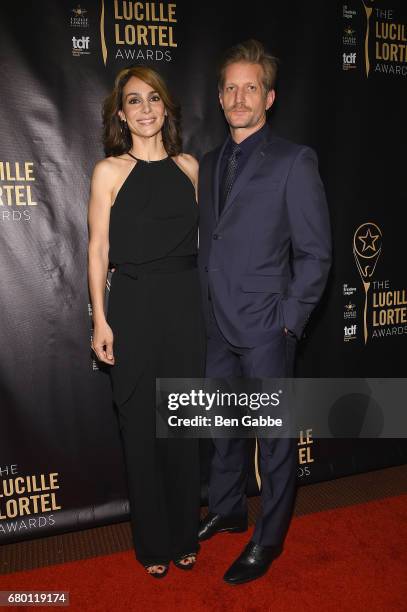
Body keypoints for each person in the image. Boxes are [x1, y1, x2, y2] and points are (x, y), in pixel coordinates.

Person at [197, 39, 332, 584]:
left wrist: (289, 319)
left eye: (249, 87)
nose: (238, 96)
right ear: (220, 95)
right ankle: (228, 509)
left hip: (266, 328)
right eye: (230, 87)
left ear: (268, 97)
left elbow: (316, 252)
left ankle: (268, 538)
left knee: (273, 441)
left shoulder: (294, 161)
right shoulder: (208, 164)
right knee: (222, 427)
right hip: (215, 324)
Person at [87, 66, 206, 578]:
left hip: (184, 307)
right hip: (133, 307)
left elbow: (199, 246)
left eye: (153, 98)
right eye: (134, 101)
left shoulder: (189, 167)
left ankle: (185, 534)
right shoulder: (108, 172)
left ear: (166, 107)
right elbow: (97, 250)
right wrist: (100, 320)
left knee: (181, 427)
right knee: (140, 429)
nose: (145, 109)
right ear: (121, 114)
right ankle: (153, 545)